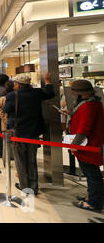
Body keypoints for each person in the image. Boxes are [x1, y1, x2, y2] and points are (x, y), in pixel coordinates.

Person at [4, 73, 54, 195]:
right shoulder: (36, 93)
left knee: (20, 160)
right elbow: (50, 93)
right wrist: (48, 81)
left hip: (18, 132)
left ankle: (25, 186)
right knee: (32, 159)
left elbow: (6, 109)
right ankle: (34, 187)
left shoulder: (12, 96)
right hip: (33, 132)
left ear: (18, 84)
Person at [68, 80, 104, 212]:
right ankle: (93, 197)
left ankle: (94, 202)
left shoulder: (89, 106)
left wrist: (75, 144)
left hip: (89, 146)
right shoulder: (94, 103)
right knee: (91, 173)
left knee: (92, 174)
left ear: (80, 93)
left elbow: (85, 128)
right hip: (90, 144)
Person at [0, 81, 15, 164]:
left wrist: (3, 117)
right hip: (14, 123)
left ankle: (6, 159)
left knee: (5, 141)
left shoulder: (1, 99)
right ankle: (11, 157)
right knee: (14, 142)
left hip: (5, 123)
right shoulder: (15, 97)